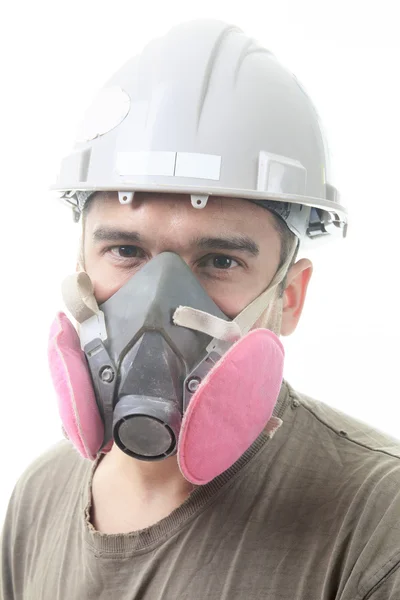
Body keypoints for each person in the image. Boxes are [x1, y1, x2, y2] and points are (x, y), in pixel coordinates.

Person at [1, 19, 399, 600]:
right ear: (82, 265)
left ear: (289, 296)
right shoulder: (39, 496)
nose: (157, 302)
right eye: (126, 251)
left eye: (218, 261)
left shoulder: (376, 524)